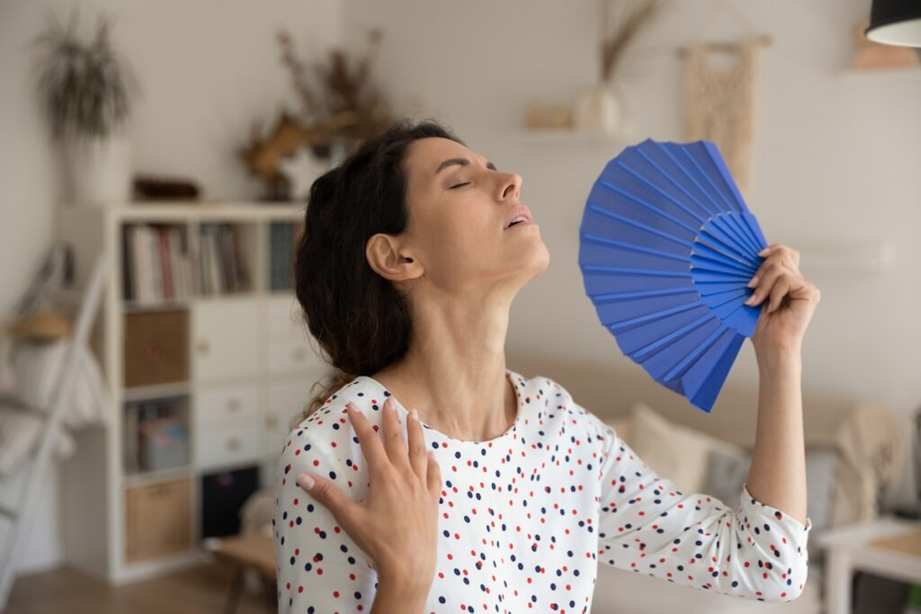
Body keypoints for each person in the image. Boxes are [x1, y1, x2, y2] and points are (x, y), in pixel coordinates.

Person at [272, 118, 821, 613]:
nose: (510, 179)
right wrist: (405, 581)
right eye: (461, 181)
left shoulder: (562, 431)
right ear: (398, 256)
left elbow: (767, 565)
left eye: (493, 168)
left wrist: (779, 354)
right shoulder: (336, 451)